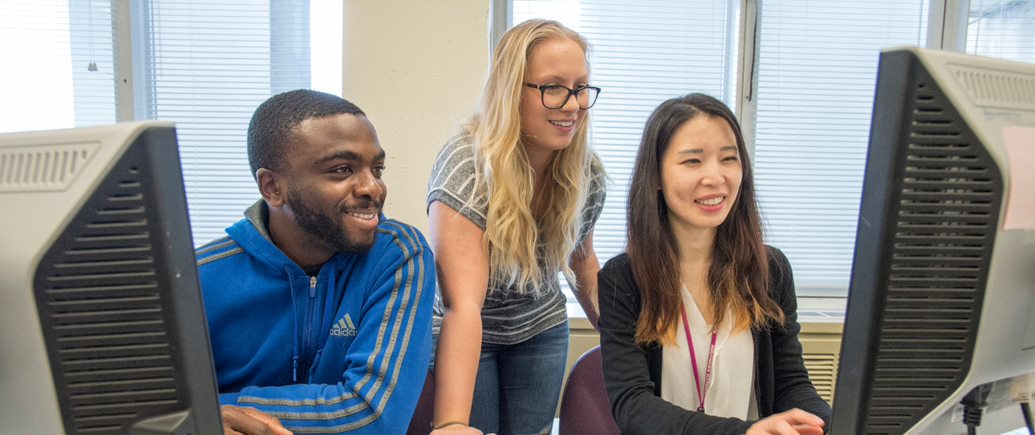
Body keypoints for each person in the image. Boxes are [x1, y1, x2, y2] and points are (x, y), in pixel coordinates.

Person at [195, 89, 436, 435]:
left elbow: (372, 418)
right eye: (342, 170)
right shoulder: (197, 279)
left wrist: (215, 409)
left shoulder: (397, 255)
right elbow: (152, 411)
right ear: (272, 187)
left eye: (377, 168)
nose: (373, 187)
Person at [597, 93, 832, 435]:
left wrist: (821, 420)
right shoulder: (624, 279)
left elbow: (791, 384)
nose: (715, 177)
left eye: (728, 158)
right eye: (693, 161)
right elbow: (633, 406)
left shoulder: (771, 270)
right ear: (657, 177)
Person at [426, 19, 607, 435]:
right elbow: (462, 304)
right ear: (511, 90)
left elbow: (583, 263)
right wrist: (452, 423)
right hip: (470, 331)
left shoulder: (586, 172)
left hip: (540, 327)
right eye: (553, 87)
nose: (573, 103)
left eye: (581, 87)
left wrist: (627, 345)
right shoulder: (467, 168)